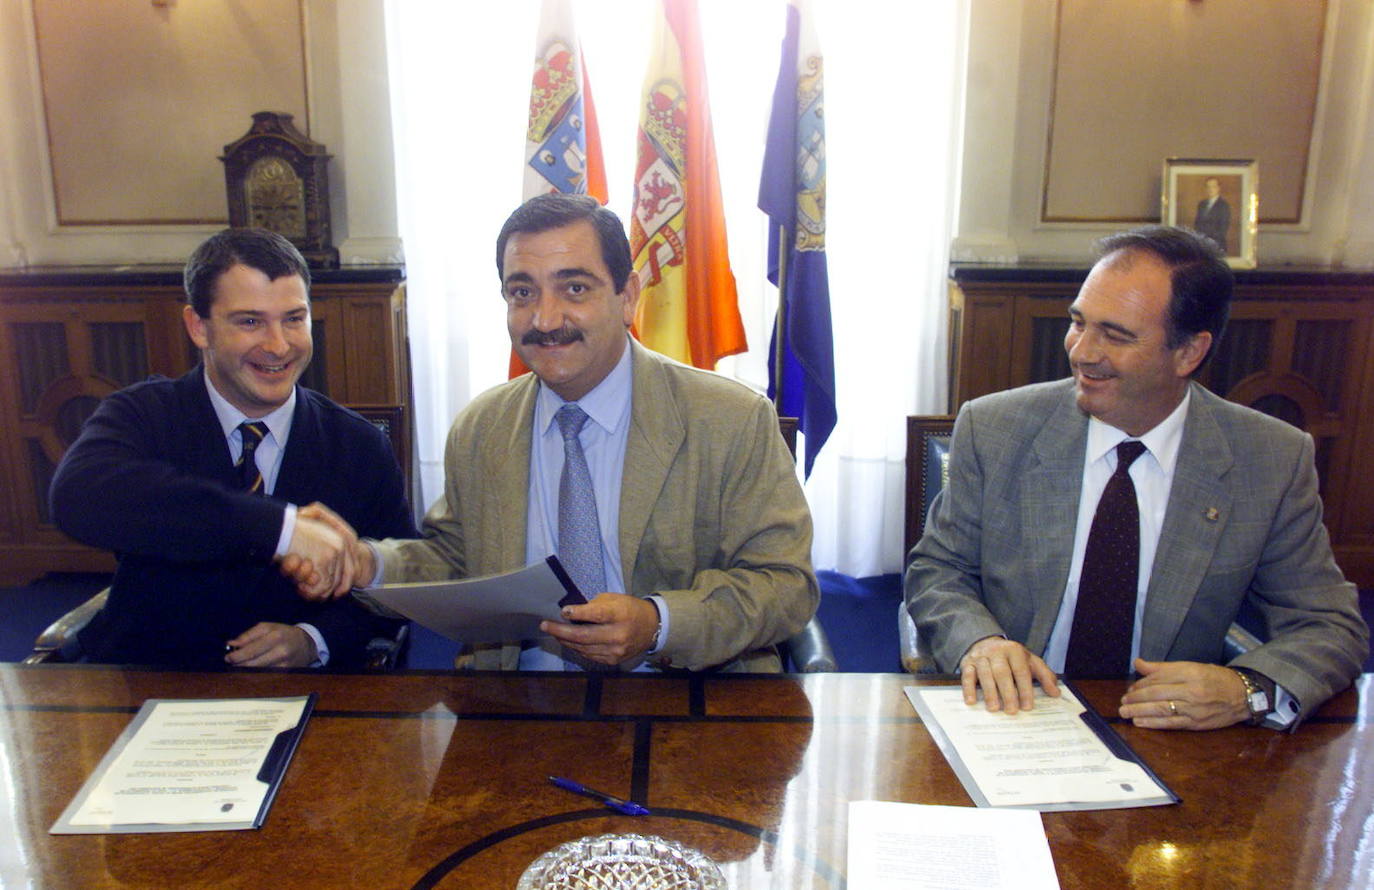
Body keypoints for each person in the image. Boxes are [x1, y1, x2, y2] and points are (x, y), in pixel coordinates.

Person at [291, 193, 818, 671]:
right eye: (522, 292)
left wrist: (659, 623)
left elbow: (784, 584)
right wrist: (368, 562)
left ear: (627, 295)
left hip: (682, 701)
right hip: (517, 706)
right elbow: (456, 564)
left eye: (575, 287)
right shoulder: (481, 429)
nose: (545, 318)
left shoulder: (730, 419)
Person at [905, 225, 1368, 730]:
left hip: (1173, 736)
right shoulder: (995, 429)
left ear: (1189, 352)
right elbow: (937, 570)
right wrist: (981, 643)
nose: (1081, 351)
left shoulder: (1269, 459)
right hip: (1015, 717)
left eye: (1116, 335)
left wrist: (1247, 690)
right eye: (1078, 322)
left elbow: (1330, 625)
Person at [50, 228, 416, 669]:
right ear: (198, 327)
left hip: (308, 701)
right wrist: (281, 529)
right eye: (250, 321)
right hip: (152, 681)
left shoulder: (359, 444)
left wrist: (314, 639)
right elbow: (76, 496)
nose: (279, 345)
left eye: (294, 319)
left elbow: (400, 590)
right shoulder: (143, 414)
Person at [1193, 176, 1231, 253]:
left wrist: (1207, 240)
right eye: (1208, 187)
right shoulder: (1202, 204)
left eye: (1213, 187)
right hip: (1201, 245)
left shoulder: (1224, 205)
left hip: (1217, 245)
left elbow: (1223, 229)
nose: (1210, 189)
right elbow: (1197, 224)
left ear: (1218, 188)